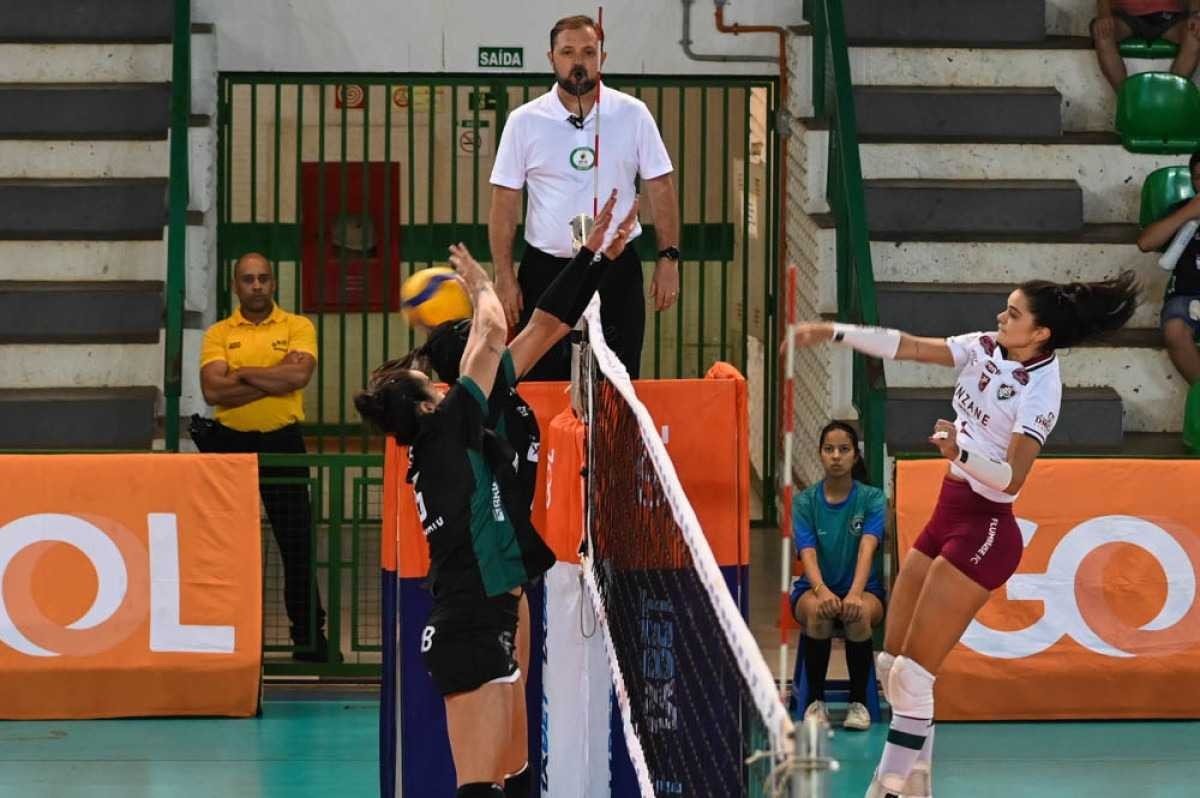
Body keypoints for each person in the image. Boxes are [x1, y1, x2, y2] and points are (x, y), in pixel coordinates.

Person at [790, 272, 1138, 798]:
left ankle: (886, 789)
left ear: (1040, 333)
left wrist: (960, 452)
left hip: (986, 529)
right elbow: (909, 347)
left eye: (1013, 314)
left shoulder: (1042, 390)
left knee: (914, 677)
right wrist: (836, 332)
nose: (1000, 317)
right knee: (892, 665)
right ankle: (918, 783)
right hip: (947, 513)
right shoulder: (984, 346)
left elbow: (1012, 478)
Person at [356, 193, 636, 798]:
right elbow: (494, 331)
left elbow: (544, 326)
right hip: (471, 616)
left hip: (499, 600)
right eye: (429, 383)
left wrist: (595, 258)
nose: (439, 382)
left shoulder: (461, 419)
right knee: (482, 786)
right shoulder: (449, 425)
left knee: (510, 773)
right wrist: (485, 282)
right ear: (430, 400)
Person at [489, 13, 681, 380]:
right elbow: (505, 201)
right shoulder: (524, 121)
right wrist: (504, 274)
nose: (578, 61)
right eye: (568, 52)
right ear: (551, 58)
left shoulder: (633, 115)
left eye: (588, 52)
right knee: (538, 379)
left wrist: (669, 258)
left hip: (615, 269)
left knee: (617, 381)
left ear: (602, 58)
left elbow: (661, 186)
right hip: (547, 270)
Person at [198, 252, 329, 661]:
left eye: (263, 278)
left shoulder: (297, 326)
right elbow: (212, 391)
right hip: (229, 446)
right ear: (235, 286)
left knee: (296, 544)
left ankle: (308, 641)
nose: (256, 285)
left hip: (282, 444)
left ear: (274, 283)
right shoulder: (218, 332)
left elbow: (299, 376)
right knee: (224, 546)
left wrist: (240, 373)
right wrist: (274, 376)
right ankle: (224, 641)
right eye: (248, 279)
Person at [791, 421, 886, 732]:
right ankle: (814, 702)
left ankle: (859, 703)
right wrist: (822, 591)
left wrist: (855, 594)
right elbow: (807, 553)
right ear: (820, 454)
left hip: (864, 590)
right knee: (819, 612)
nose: (836, 456)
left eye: (844, 449)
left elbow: (867, 549)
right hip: (814, 589)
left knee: (858, 615)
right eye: (829, 449)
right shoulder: (804, 502)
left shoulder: (872, 498)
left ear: (855, 456)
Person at [1137, 150, 1200, 385]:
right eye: (1199, 177)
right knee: (1174, 330)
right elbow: (1145, 243)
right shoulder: (1182, 210)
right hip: (1188, 296)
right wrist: (1188, 213)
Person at [1092, 0, 1200, 91]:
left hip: (1171, 16)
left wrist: (1195, 15)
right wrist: (1104, 14)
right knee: (1102, 32)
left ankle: (1171, 97)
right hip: (1127, 15)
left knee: (1194, 33)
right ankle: (1126, 98)